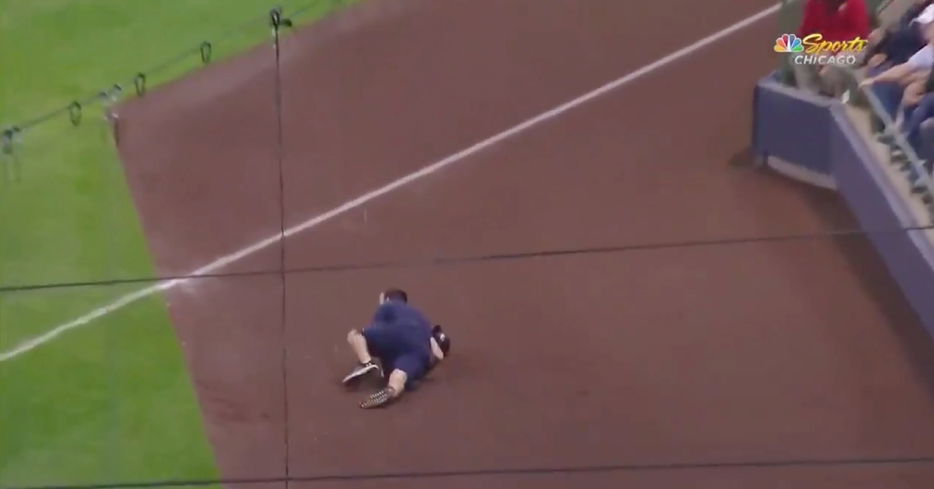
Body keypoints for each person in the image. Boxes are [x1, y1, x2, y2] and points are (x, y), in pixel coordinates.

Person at [342, 288, 451, 409]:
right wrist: (422, 369)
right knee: (400, 374)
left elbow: (378, 331)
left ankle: (366, 363)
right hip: (419, 347)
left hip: (397, 332)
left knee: (356, 335)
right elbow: (438, 353)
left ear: (386, 298)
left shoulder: (388, 306)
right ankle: (391, 390)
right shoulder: (422, 317)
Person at [794, 0, 872, 95]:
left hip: (853, 47)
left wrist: (832, 52)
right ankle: (810, 96)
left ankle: (838, 99)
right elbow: (806, 31)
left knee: (835, 66)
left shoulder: (855, 3)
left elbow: (860, 35)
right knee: (798, 56)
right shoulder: (814, 3)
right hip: (825, 47)